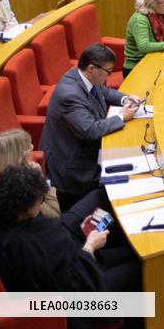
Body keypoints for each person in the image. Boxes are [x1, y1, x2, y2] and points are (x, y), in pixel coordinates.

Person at [0, 165, 141, 296]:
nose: (40, 203)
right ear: (27, 207)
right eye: (39, 200)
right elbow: (73, 284)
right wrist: (90, 247)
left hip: (73, 263)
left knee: (130, 254)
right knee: (138, 269)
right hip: (75, 300)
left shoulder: (6, 223)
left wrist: (82, 233)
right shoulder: (36, 242)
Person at [39, 44, 141, 211]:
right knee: (126, 179)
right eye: (108, 71)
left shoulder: (84, 76)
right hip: (74, 165)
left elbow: (104, 92)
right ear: (92, 68)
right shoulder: (70, 94)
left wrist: (126, 99)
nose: (109, 75)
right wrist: (121, 116)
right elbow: (90, 130)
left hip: (87, 150)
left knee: (133, 161)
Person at [0, 129, 60, 219]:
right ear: (20, 157)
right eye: (30, 150)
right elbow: (54, 215)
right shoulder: (20, 186)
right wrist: (41, 180)